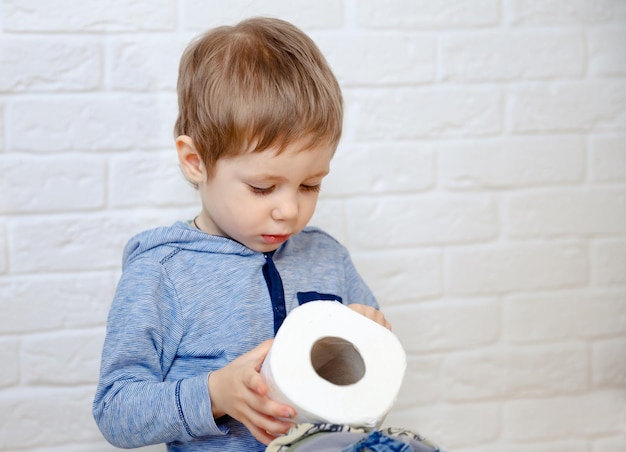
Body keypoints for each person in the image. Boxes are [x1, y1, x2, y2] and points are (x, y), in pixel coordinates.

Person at [93, 17, 390, 452]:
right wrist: (213, 394)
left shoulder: (326, 256)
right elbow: (116, 411)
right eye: (262, 187)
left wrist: (372, 331)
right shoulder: (164, 274)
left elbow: (367, 376)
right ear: (196, 161)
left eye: (310, 184)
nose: (289, 210)